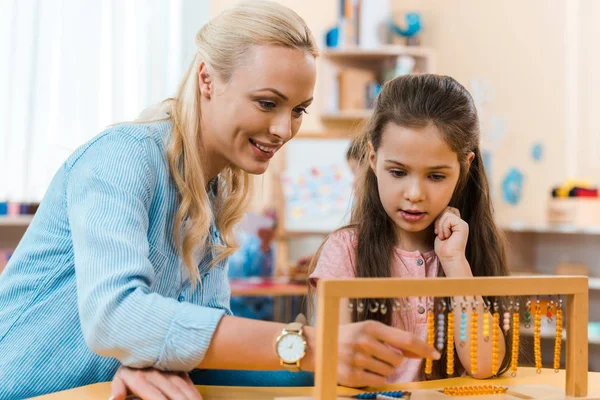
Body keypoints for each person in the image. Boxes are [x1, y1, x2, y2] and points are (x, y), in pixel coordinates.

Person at [0, 2, 439, 399]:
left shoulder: (214, 194)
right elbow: (116, 316)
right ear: (207, 78)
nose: (284, 130)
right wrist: (312, 346)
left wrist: (333, 365)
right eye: (268, 103)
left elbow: (201, 341)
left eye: (299, 110)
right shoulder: (123, 155)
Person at [309, 74, 511, 383]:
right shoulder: (345, 250)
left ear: (465, 166)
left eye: (436, 176)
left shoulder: (469, 250)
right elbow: (342, 371)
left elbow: (484, 366)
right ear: (373, 159)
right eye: (398, 172)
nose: (414, 193)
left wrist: (455, 263)